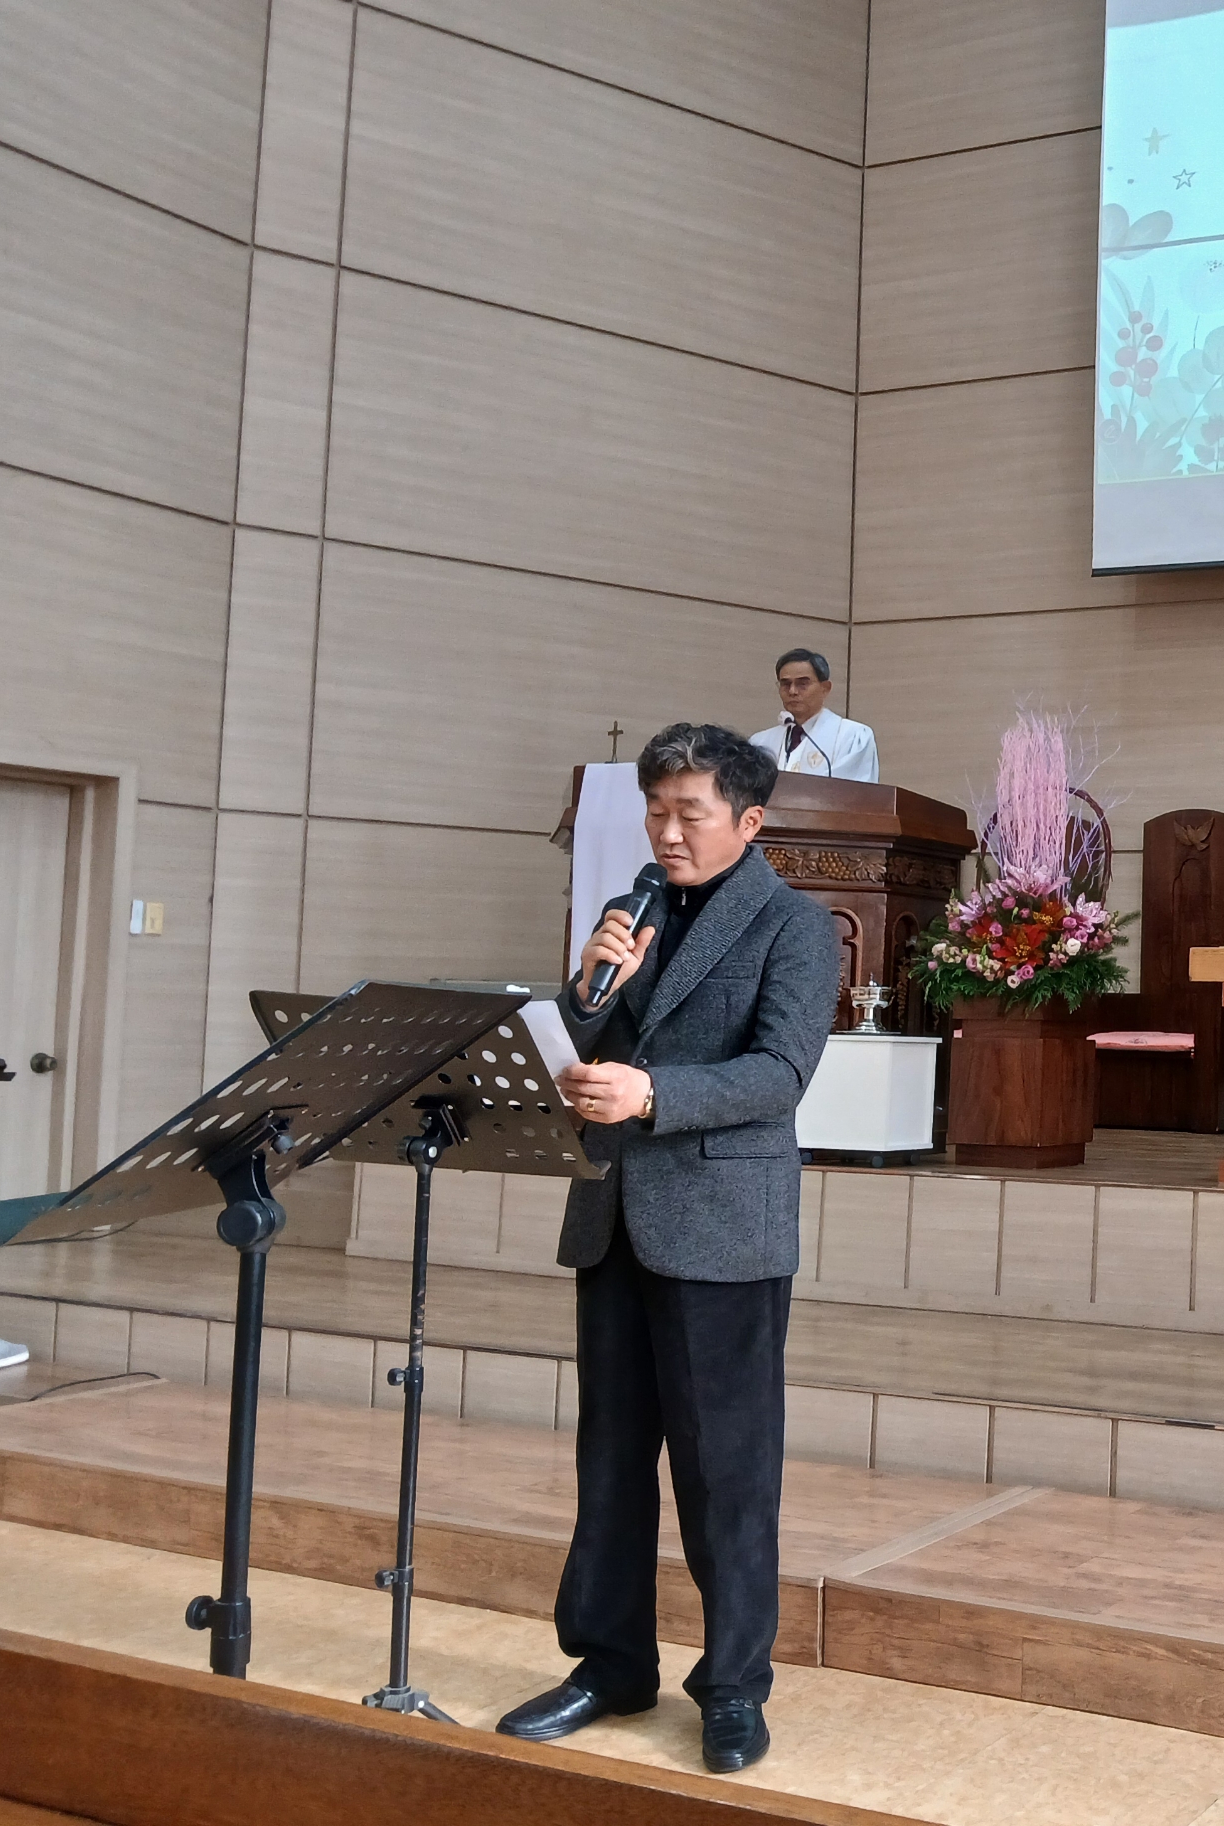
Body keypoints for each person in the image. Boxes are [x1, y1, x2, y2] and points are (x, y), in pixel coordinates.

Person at [495, 723, 837, 1775]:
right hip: (613, 1217)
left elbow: (779, 1075)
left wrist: (650, 1094)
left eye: (690, 813)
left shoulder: (794, 926)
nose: (668, 832)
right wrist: (585, 989)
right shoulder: (630, 910)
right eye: (656, 812)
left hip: (722, 1228)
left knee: (726, 1472)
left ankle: (732, 1687)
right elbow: (578, 1041)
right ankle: (610, 1664)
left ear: (750, 819)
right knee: (609, 1460)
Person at [749, 648, 878, 782]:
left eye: (802, 684)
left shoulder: (852, 737)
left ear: (825, 688)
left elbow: (853, 790)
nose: (792, 691)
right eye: (785, 684)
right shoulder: (761, 742)